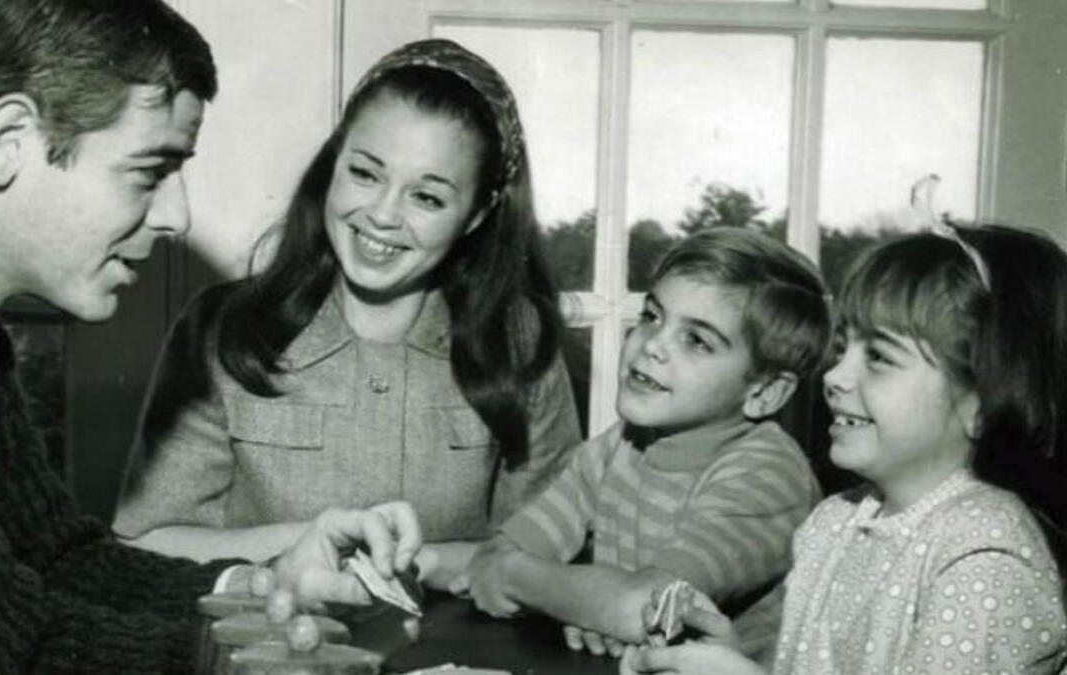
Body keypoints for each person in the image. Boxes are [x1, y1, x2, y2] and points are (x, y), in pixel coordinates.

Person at [0, 1, 422, 672]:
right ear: (8, 138)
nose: (176, 216)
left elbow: (54, 559)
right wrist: (235, 660)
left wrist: (266, 587)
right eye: (149, 170)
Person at [113, 38, 581, 586]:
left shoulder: (522, 342)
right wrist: (307, 547)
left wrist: (416, 564)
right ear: (333, 164)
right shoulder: (223, 328)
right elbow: (146, 543)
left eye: (426, 198)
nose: (382, 214)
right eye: (365, 173)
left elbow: (544, 558)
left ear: (476, 216)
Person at [622, 223, 1067, 675]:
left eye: (879, 357)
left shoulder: (984, 561)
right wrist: (736, 659)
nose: (834, 377)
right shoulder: (837, 521)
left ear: (983, 402)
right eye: (842, 349)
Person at [454, 227, 831, 660]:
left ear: (765, 392)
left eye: (697, 340)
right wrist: (588, 603)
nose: (652, 345)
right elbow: (504, 551)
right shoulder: (622, 444)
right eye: (652, 316)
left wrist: (520, 579)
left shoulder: (768, 476)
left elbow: (651, 609)